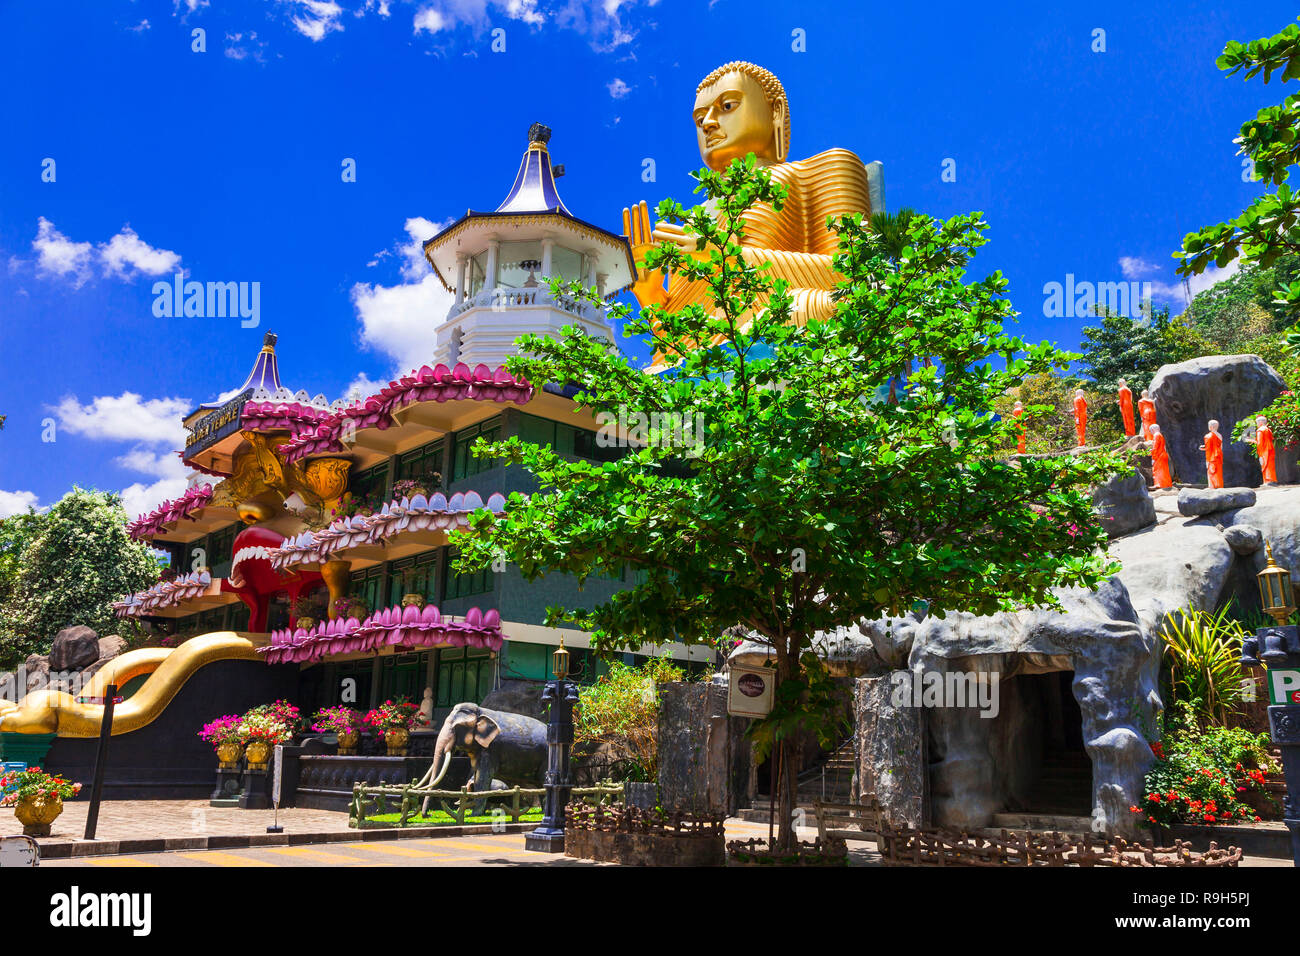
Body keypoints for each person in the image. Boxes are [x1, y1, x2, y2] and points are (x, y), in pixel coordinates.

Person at [1201, 420, 1224, 489]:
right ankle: (1220, 486)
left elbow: (1208, 449)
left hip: (1211, 457)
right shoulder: (1220, 435)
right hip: (1219, 456)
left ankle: (1212, 487)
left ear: (1210, 427)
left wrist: (1207, 460)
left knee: (1211, 472)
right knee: (1219, 472)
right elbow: (1220, 447)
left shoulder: (1208, 436)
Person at [1149, 423, 1172, 489]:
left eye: (1151, 431)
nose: (1151, 433)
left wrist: (1153, 456)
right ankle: (1167, 484)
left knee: (1158, 470)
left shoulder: (1156, 435)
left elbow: (1155, 447)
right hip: (1163, 454)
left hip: (1159, 456)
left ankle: (1159, 484)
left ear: (1153, 429)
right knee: (1165, 471)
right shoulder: (1160, 435)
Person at [1257, 416, 1277, 484]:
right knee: (1270, 465)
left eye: (1257, 422)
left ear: (1261, 422)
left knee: (1265, 464)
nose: (1257, 424)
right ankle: (1272, 480)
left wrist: (1259, 452)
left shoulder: (1260, 430)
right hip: (1270, 448)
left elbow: (1259, 443)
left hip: (1264, 450)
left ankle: (1267, 481)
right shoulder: (1268, 429)